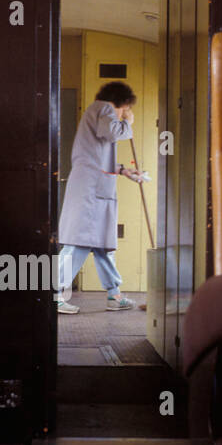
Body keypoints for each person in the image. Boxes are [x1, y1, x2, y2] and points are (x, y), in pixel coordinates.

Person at [54, 81, 146, 315]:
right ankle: (55, 294)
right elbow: (112, 131)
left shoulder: (96, 113)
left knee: (104, 246)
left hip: (97, 187)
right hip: (90, 189)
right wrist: (127, 122)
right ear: (122, 103)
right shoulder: (104, 108)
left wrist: (126, 171)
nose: (124, 113)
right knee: (78, 243)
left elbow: (101, 156)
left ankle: (114, 295)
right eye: (125, 108)